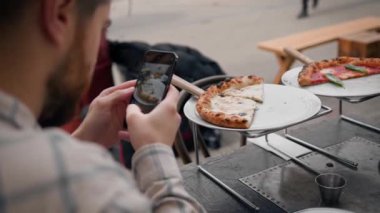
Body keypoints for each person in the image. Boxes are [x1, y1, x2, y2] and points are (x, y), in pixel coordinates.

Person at [0, 0, 204, 212]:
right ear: (60, 13)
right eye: (103, 27)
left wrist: (82, 140)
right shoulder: (84, 184)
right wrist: (154, 150)